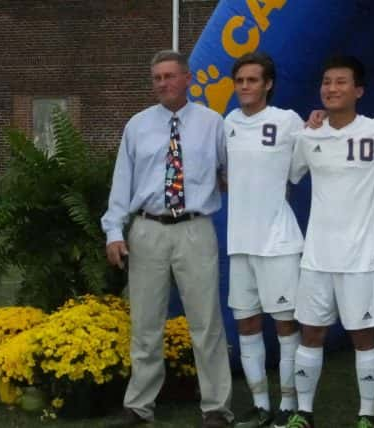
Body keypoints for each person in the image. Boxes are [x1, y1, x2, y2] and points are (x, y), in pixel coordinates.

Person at [101, 50, 232, 428]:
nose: (163, 83)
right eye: (157, 77)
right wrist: (114, 231)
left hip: (195, 228)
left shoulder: (212, 123)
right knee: (145, 321)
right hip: (147, 230)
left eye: (170, 76)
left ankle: (216, 408)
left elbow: (232, 169)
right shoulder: (137, 126)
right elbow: (121, 183)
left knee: (206, 321)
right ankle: (139, 406)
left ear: (187, 79)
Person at [287, 55, 374, 428]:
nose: (332, 89)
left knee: (362, 336)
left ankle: (366, 415)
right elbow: (288, 175)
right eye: (327, 82)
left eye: (341, 82)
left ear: (358, 90)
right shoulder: (309, 134)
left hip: (361, 255)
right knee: (310, 333)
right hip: (317, 254)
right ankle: (304, 412)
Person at [224, 52, 305, 428]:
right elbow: (223, 175)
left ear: (268, 84)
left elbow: (305, 165)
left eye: (252, 80)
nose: (244, 87)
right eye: (239, 81)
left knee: (286, 324)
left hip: (279, 242)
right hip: (240, 242)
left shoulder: (288, 121)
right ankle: (261, 405)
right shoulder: (228, 124)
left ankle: (289, 404)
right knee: (246, 324)